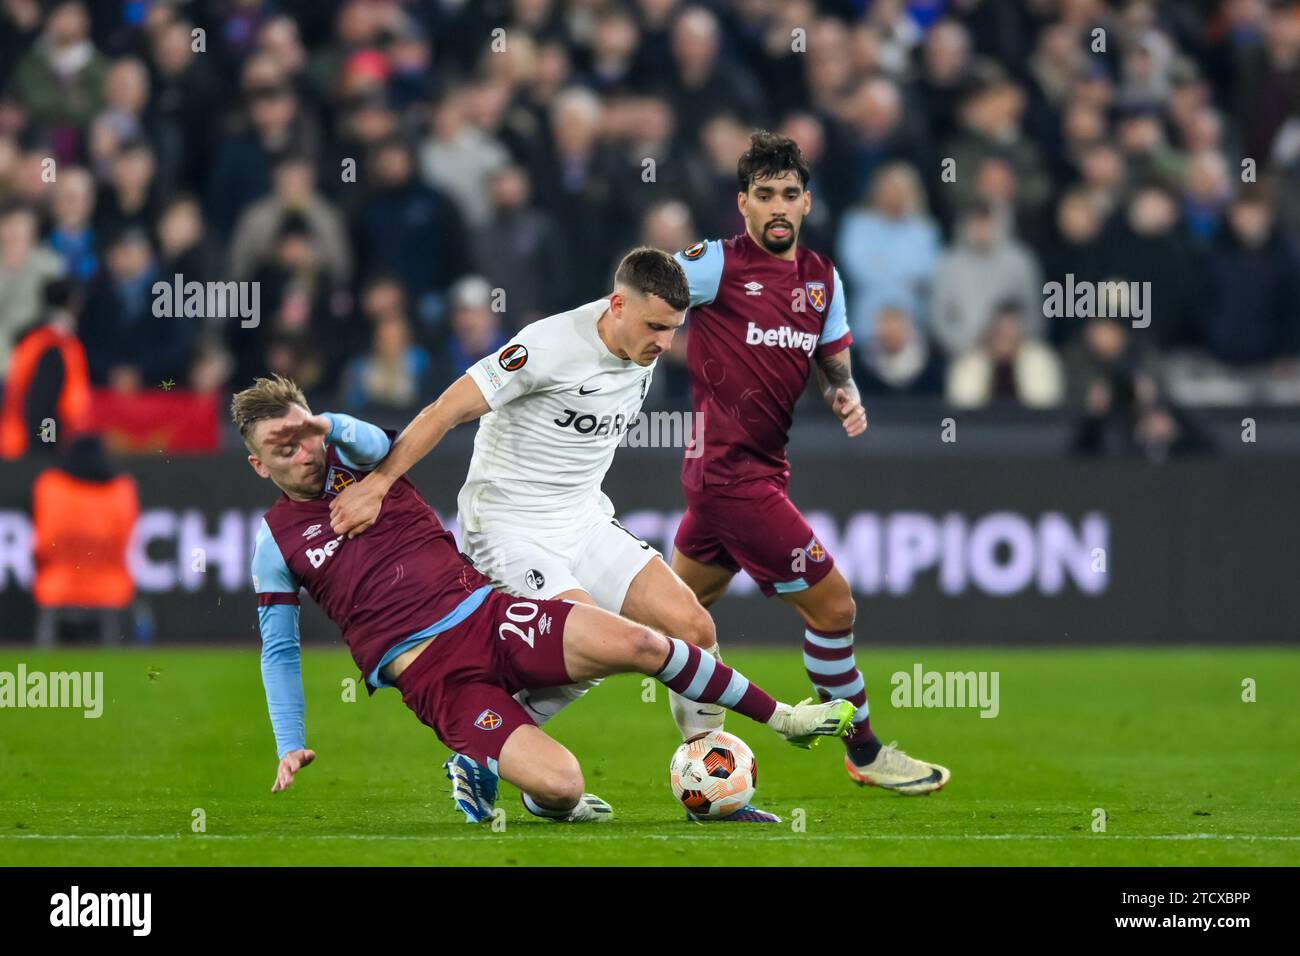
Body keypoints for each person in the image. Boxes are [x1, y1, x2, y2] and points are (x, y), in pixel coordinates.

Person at [236, 374, 854, 823]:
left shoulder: (364, 459)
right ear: (258, 465)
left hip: (490, 618)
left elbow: (370, 439)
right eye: (282, 446)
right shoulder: (274, 542)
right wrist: (289, 741)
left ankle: (784, 719)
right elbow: (279, 651)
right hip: (434, 677)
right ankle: (505, 775)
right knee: (563, 785)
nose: (302, 451)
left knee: (642, 638)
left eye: (307, 433)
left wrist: (329, 425)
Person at [328, 248, 786, 823]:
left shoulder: (644, 332)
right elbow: (446, 409)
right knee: (595, 644)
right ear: (617, 305)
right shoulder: (547, 347)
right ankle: (485, 747)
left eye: (675, 329)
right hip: (508, 524)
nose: (665, 344)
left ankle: (709, 791)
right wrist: (378, 484)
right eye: (655, 327)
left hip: (582, 517)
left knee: (693, 625)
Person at [670, 131, 949, 794]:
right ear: (743, 203)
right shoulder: (715, 264)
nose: (777, 206)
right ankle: (866, 751)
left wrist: (844, 390)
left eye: (789, 194)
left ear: (806, 202)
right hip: (731, 475)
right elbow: (641, 285)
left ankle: (510, 719)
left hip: (752, 472)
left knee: (664, 623)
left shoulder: (821, 278)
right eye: (763, 194)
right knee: (835, 610)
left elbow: (831, 357)